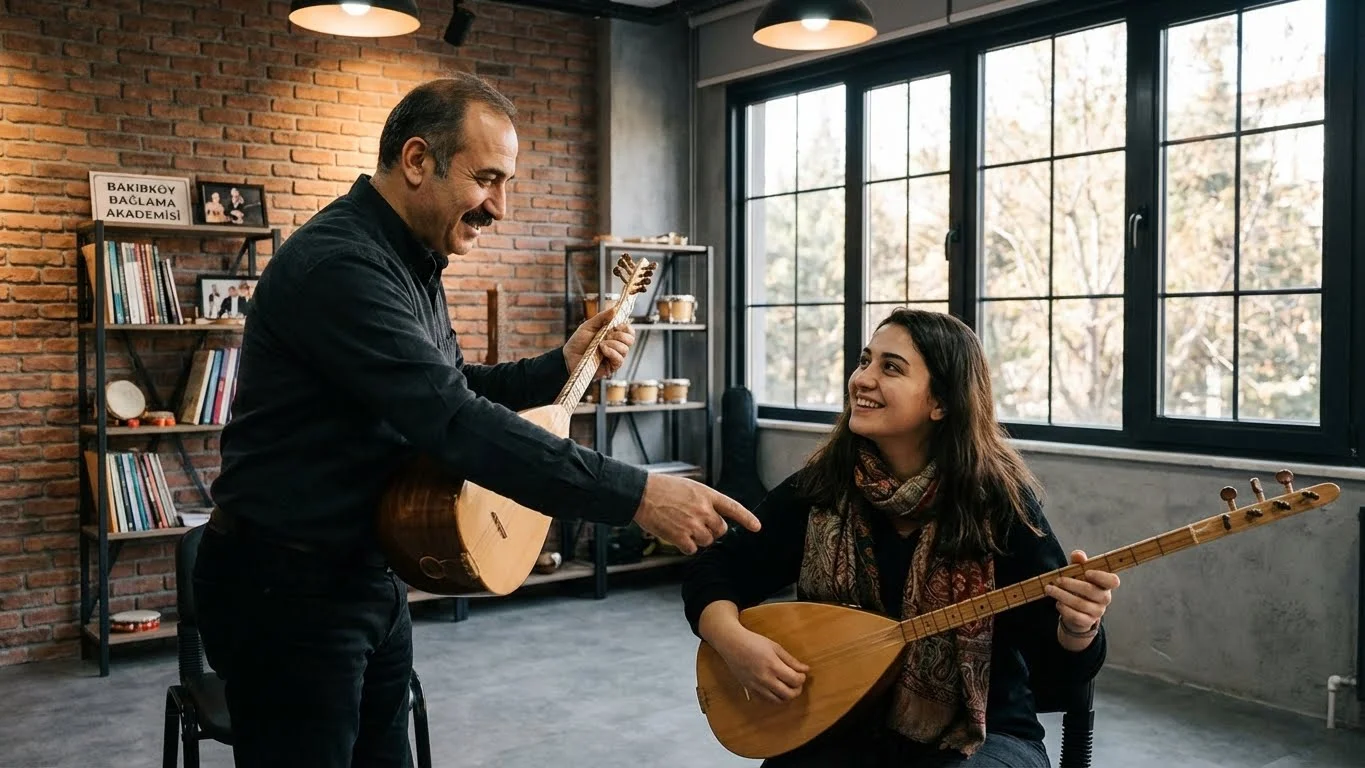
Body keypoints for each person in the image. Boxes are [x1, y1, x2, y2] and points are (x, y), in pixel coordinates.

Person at [193, 74, 759, 768]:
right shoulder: (341, 267)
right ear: (417, 160)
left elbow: (452, 388)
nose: (498, 206)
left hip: (364, 575)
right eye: (486, 179)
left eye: (507, 182)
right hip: (283, 592)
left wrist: (561, 362)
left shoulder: (412, 261)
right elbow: (452, 421)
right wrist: (640, 495)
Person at [681, 308, 1120, 767]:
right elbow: (714, 568)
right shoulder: (823, 489)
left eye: (890, 367)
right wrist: (733, 642)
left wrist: (1078, 628)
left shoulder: (997, 506)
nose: (862, 379)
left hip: (979, 735)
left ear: (941, 403)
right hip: (837, 724)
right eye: (864, 360)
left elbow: (1058, 672)